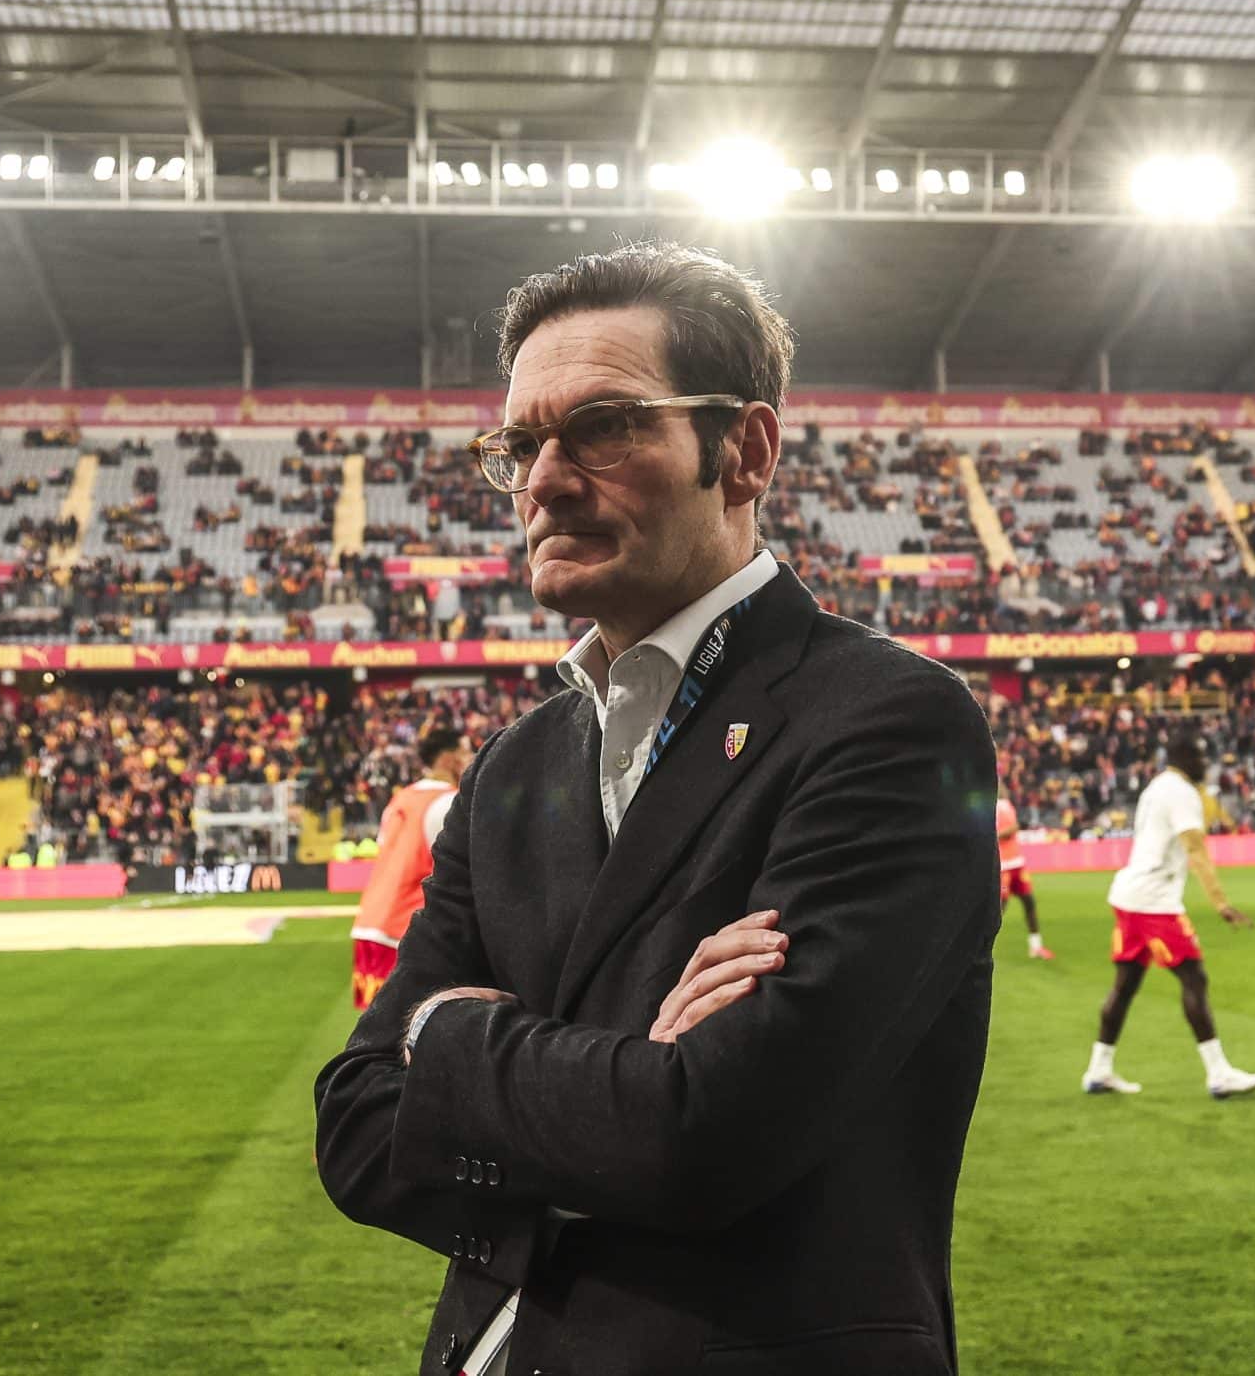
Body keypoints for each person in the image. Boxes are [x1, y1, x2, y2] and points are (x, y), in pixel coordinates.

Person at [315, 244, 998, 1376]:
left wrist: (445, 1041)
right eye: (520, 444)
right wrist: (624, 1077)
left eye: (602, 426)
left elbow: (708, 1135)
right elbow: (355, 1128)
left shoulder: (887, 721)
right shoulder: (513, 764)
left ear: (743, 452)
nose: (542, 480)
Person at [1082, 732, 1255, 1100]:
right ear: (1187, 758)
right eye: (1200, 758)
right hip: (1154, 900)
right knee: (1194, 978)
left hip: (1129, 894)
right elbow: (1195, 847)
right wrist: (1220, 901)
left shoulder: (1158, 786)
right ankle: (1218, 1073)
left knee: (1126, 984)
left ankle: (1099, 1068)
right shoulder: (1182, 793)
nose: (1205, 765)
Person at [350, 723, 470, 1009]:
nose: (471, 760)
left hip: (371, 925)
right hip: (406, 934)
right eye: (465, 753)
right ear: (448, 758)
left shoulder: (401, 798)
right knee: (416, 1037)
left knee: (380, 1038)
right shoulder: (449, 803)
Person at [996, 795, 1051, 958]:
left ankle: (1036, 946)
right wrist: (1010, 830)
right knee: (999, 908)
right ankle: (981, 946)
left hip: (1017, 865)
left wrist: (1014, 828)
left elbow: (1013, 827)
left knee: (1029, 902)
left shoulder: (1007, 803)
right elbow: (1004, 830)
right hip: (1003, 866)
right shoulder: (989, 806)